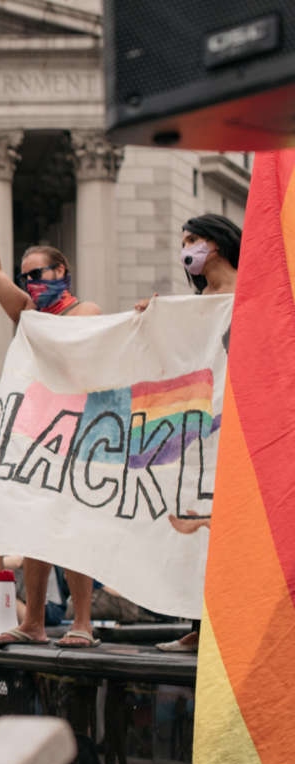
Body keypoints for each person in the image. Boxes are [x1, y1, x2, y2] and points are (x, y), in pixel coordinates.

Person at [0, 186, 100, 649]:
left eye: (38, 274)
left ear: (61, 271)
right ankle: (33, 623)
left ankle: (82, 621)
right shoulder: (28, 311)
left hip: (79, 430)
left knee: (73, 526)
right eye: (25, 277)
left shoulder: (84, 311)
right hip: (35, 431)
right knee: (35, 528)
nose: (30, 284)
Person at [136, 213, 241, 653]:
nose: (187, 249)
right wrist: (155, 318)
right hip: (203, 431)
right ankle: (200, 625)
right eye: (184, 241)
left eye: (194, 239)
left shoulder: (256, 289)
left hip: (244, 422)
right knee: (199, 525)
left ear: (216, 243)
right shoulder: (196, 303)